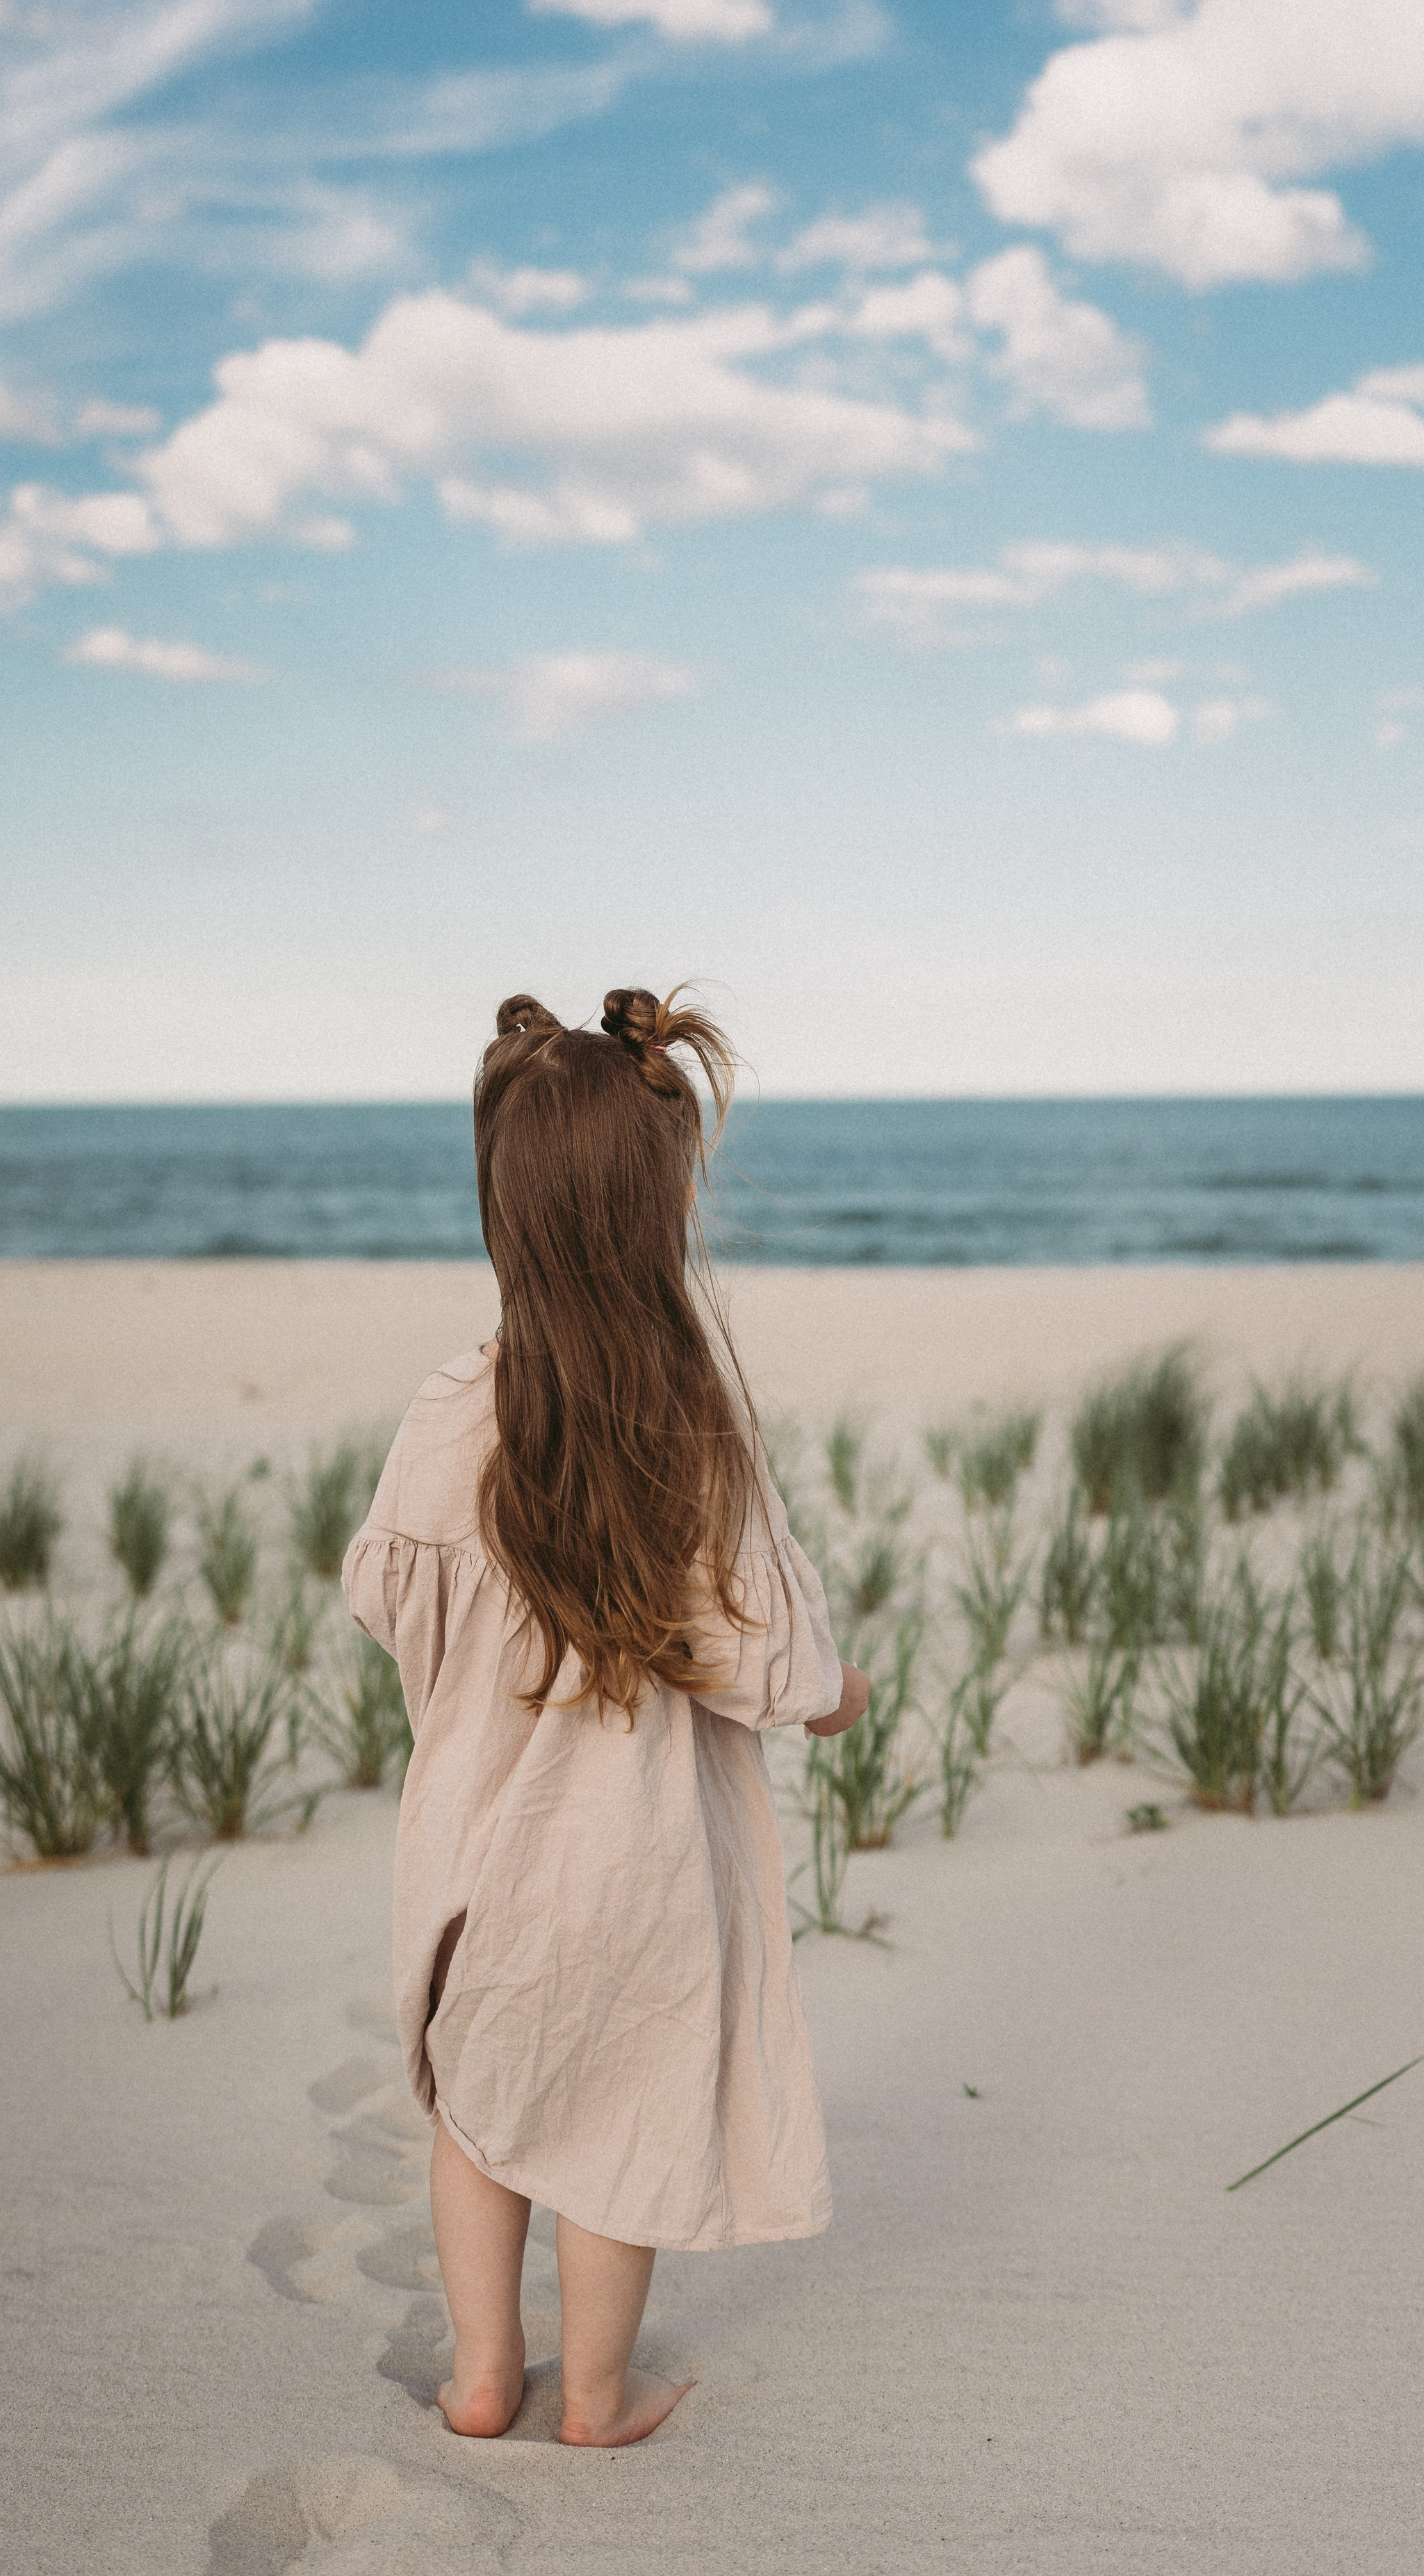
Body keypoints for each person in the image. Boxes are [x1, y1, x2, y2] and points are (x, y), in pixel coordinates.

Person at [343, 986, 869, 2447]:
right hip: (631, 1872)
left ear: (503, 1206)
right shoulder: (683, 1420)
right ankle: (592, 2394)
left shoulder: (451, 1413)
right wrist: (839, 1696)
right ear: (664, 1203)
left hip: (474, 1853)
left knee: (481, 2107)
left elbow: (385, 1594)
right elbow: (757, 1651)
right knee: (615, 2125)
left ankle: (476, 2375)